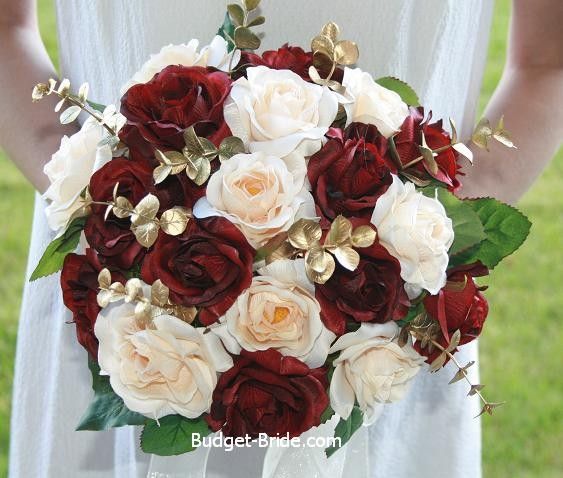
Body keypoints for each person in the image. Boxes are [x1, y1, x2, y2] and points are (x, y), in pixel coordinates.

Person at [1, 1, 561, 477]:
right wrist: (97, 194)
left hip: (387, 333)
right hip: (126, 306)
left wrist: (428, 235)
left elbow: (548, 58)